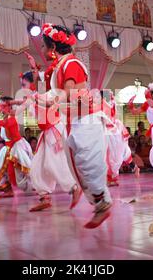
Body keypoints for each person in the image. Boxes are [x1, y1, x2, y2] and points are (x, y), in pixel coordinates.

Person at [29, 23, 112, 228]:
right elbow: (57, 92)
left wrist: (50, 100)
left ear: (53, 48)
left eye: (43, 46)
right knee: (78, 165)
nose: (41, 50)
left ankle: (102, 205)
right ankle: (100, 203)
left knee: (87, 163)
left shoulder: (71, 64)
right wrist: (42, 97)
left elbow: (68, 90)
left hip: (87, 118)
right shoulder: (59, 67)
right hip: (75, 120)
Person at [15, 71, 81, 212]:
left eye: (23, 83)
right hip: (46, 133)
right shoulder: (33, 96)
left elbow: (51, 104)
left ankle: (74, 187)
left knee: (54, 163)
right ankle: (44, 197)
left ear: (32, 82)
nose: (22, 86)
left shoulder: (47, 92)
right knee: (37, 166)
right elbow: (23, 103)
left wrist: (36, 98)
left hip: (54, 131)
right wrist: (11, 105)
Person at [0, 97, 34, 197]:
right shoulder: (6, 118)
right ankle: (9, 190)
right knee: (2, 171)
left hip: (17, 147)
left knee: (21, 172)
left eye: (2, 105)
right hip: (8, 149)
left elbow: (3, 124)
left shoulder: (12, 117)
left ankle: (38, 187)